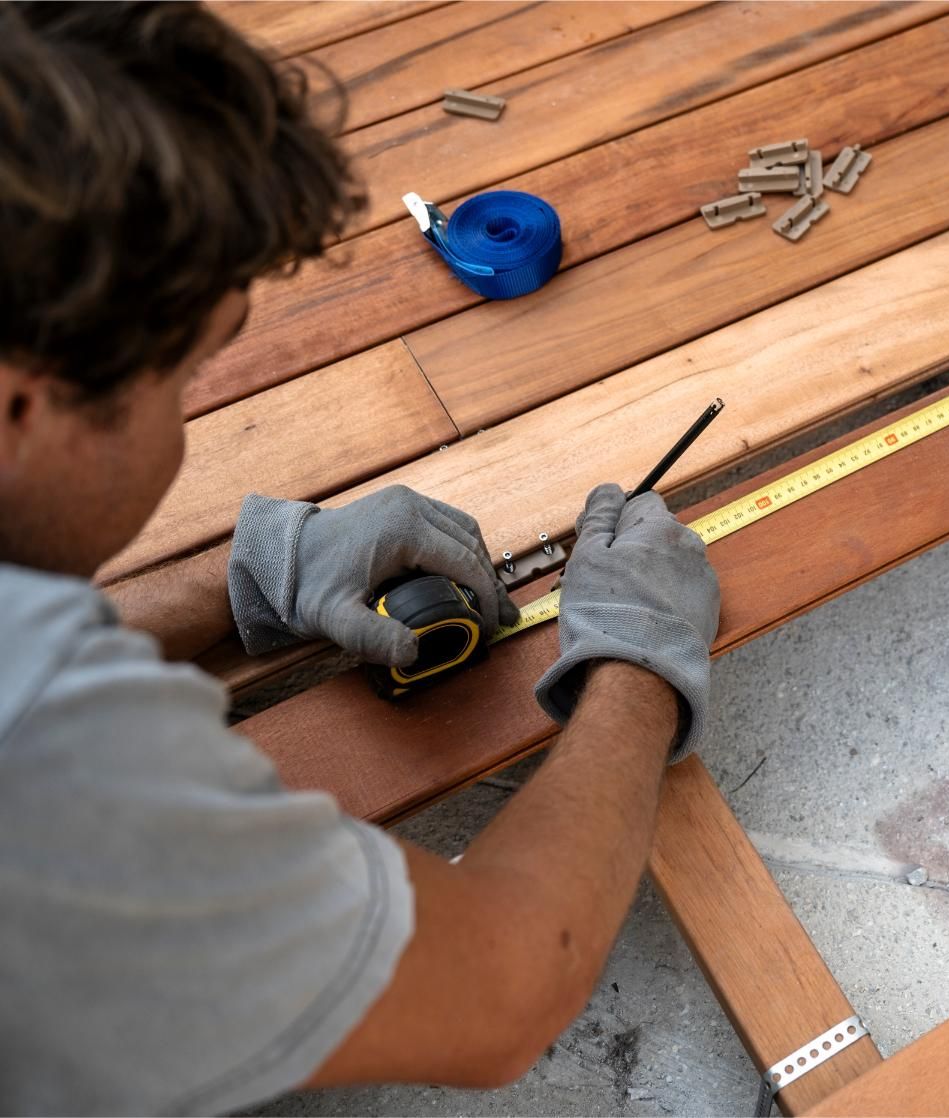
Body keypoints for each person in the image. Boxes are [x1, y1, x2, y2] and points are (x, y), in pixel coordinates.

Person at [0, 3, 720, 1112]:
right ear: (22, 400)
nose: (184, 429)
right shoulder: (64, 784)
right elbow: (504, 984)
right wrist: (635, 661)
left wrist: (244, 578)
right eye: (181, 379)